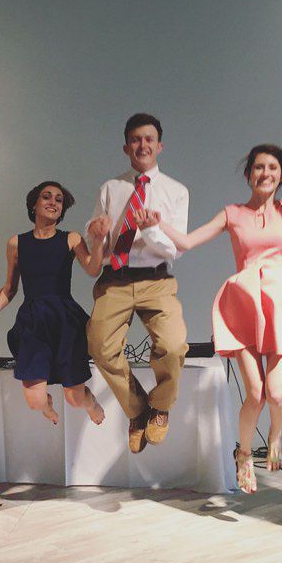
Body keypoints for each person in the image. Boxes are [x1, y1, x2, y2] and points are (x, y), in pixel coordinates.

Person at [136, 90, 282, 493]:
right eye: (259, 167)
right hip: (243, 303)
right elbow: (188, 241)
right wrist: (155, 224)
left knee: (277, 395)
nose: (266, 172)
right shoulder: (233, 213)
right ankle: (244, 453)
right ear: (249, 175)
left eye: (273, 167)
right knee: (256, 393)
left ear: (281, 175)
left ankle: (276, 435)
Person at [86, 113, 190, 454]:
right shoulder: (110, 188)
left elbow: (174, 250)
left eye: (149, 139)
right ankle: (138, 410)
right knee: (99, 346)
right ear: (126, 147)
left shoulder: (176, 191)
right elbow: (99, 246)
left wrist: (150, 230)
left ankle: (160, 407)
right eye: (135, 139)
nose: (142, 145)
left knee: (173, 345)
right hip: (115, 279)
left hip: (156, 279)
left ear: (159, 146)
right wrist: (97, 236)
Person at [0, 181, 106, 425]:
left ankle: (91, 403)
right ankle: (47, 405)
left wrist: (98, 241)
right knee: (35, 400)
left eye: (59, 200)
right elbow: (10, 288)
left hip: (65, 319)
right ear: (34, 204)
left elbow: (93, 269)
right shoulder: (16, 243)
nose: (53, 202)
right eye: (47, 197)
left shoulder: (71, 239)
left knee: (75, 398)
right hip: (33, 321)